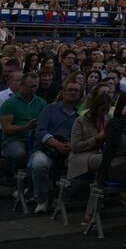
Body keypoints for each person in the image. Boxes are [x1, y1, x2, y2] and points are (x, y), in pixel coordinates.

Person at [27, 79, 81, 212]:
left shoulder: (79, 117)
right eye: (70, 90)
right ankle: (42, 200)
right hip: (45, 149)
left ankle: (62, 199)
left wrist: (71, 145)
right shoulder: (50, 109)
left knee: (81, 166)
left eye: (76, 91)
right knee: (39, 164)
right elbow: (40, 131)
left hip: (68, 151)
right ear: (62, 93)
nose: (73, 93)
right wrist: (55, 143)